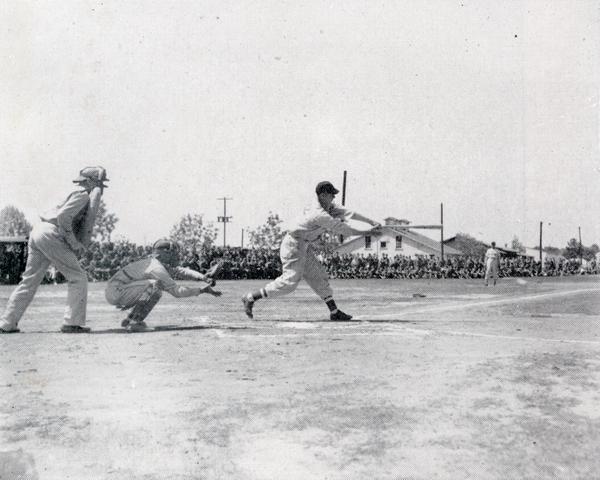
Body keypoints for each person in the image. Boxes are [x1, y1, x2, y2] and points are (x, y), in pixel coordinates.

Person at [242, 180, 381, 321]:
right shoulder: (318, 213)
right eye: (331, 194)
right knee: (289, 283)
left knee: (318, 275)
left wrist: (371, 222)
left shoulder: (326, 206)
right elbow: (345, 230)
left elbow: (348, 213)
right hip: (293, 245)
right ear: (322, 195)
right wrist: (368, 232)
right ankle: (250, 297)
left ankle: (334, 312)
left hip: (304, 244)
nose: (333, 197)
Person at [0, 167, 108, 333]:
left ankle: (6, 323)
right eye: (98, 182)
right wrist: (73, 243)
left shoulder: (71, 191)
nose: (100, 186)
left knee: (29, 281)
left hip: (39, 231)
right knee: (78, 277)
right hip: (51, 233)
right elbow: (63, 217)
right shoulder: (83, 194)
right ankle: (72, 323)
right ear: (90, 181)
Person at [104, 239, 222, 331]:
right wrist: (201, 290)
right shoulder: (156, 267)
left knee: (156, 289)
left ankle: (131, 319)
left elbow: (181, 271)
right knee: (155, 286)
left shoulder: (155, 263)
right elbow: (177, 292)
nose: (175, 255)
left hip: (118, 289)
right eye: (171, 252)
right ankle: (134, 322)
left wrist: (204, 277)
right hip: (117, 291)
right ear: (163, 254)